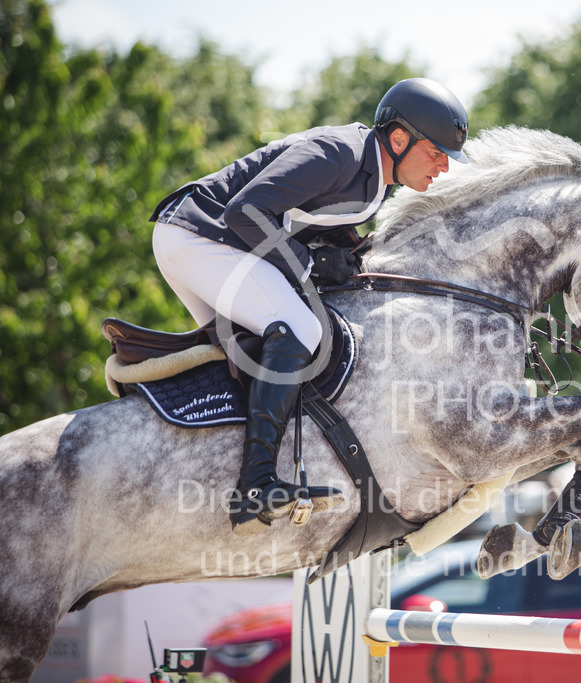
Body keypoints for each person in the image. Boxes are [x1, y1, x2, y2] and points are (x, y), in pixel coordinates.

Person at [149, 78, 469, 536]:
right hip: (199, 234)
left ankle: (214, 475)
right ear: (399, 139)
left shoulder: (374, 182)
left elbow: (304, 223)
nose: (443, 166)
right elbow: (247, 211)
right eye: (436, 153)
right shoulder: (338, 152)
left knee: (253, 354)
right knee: (300, 328)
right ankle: (256, 485)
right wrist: (309, 262)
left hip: (199, 239)